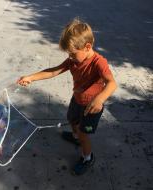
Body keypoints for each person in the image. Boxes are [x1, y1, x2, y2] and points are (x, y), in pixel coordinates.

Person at [17, 18, 117, 175]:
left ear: (87, 47)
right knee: (71, 119)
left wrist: (100, 99)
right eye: (68, 54)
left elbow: (112, 83)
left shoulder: (99, 62)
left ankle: (88, 157)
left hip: (91, 107)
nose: (70, 57)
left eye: (72, 53)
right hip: (77, 99)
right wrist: (31, 77)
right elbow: (53, 71)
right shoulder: (73, 60)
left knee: (85, 134)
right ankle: (76, 137)